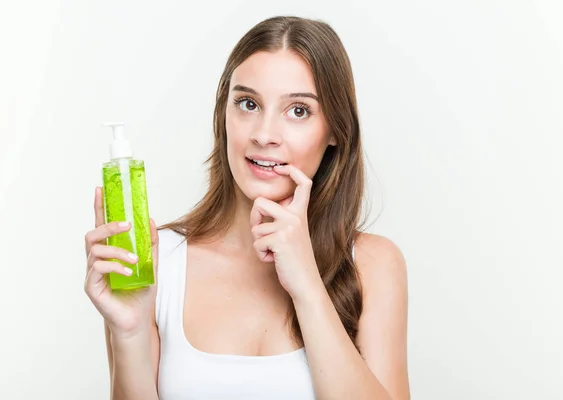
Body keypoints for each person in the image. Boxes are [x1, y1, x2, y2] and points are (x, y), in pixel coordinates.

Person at [84, 15, 409, 400]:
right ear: (224, 115)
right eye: (248, 103)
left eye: (299, 111)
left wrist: (306, 285)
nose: (264, 135)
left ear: (336, 130)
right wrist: (131, 332)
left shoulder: (372, 265)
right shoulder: (158, 260)